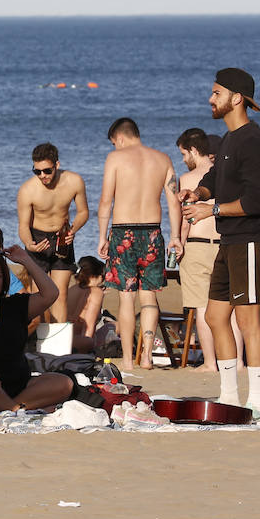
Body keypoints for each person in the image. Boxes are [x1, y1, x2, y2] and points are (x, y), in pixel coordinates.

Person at [180, 68, 260, 420]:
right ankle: (229, 397)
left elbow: (258, 202)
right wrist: (200, 192)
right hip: (230, 241)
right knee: (214, 315)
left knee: (249, 322)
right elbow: (214, 178)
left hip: (252, 239)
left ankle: (259, 404)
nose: (211, 99)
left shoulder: (252, 141)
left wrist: (211, 209)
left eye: (216, 93)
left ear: (236, 98)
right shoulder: (229, 140)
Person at [95, 117, 182, 370]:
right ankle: (147, 357)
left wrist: (102, 236)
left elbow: (105, 202)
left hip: (124, 233)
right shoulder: (163, 159)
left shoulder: (116, 159)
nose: (114, 148)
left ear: (120, 138)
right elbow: (174, 201)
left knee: (125, 298)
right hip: (153, 233)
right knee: (148, 297)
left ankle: (128, 361)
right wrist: (175, 236)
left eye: (114, 143)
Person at [0, 247, 73, 412]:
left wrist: (26, 260)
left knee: (64, 383)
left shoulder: (15, 305)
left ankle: (8, 409)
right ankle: (15, 409)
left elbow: (51, 294)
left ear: (4, 281)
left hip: (19, 386)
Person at [176, 128, 239, 372]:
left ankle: (211, 362)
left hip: (198, 245)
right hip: (224, 243)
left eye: (184, 154)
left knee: (202, 306)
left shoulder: (188, 179)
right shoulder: (226, 176)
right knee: (231, 309)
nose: (183, 159)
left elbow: (185, 219)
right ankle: (239, 362)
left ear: (193, 150)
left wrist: (179, 243)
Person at [16, 142, 89, 325]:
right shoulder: (27, 190)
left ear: (57, 165)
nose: (42, 176)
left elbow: (83, 212)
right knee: (37, 295)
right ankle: (35, 341)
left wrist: (73, 230)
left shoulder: (74, 181)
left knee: (60, 294)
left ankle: (58, 347)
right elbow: (23, 226)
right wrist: (29, 243)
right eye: (37, 171)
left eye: (47, 171)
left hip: (62, 238)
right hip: (37, 239)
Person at [66, 255, 106, 352]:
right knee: (113, 326)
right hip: (77, 340)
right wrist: (87, 347)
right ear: (95, 276)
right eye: (103, 276)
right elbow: (89, 324)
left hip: (63, 335)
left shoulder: (72, 289)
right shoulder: (96, 292)